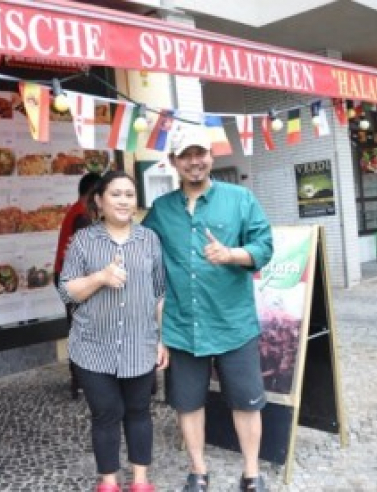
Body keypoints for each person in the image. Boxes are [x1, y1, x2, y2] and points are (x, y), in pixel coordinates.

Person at [141, 124, 273, 492]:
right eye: (185, 155)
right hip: (183, 326)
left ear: (211, 156)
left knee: (246, 402)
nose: (194, 162)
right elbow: (143, 254)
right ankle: (198, 472)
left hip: (233, 323)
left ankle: (251, 473)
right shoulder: (161, 210)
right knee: (187, 403)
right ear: (173, 162)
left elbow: (264, 245)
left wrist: (232, 254)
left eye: (200, 153)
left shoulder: (240, 199)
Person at [57, 171, 168, 492]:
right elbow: (67, 291)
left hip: (140, 344)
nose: (123, 201)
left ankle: (140, 481)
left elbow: (159, 293)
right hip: (93, 347)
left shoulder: (149, 239)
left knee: (138, 412)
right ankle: (108, 483)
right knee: (106, 414)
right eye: (116, 194)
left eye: (129, 195)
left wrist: (163, 339)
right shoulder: (83, 241)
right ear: (99, 201)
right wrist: (100, 278)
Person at [54, 171, 101, 398]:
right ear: (93, 193)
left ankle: (81, 379)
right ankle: (81, 380)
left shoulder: (78, 210)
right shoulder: (82, 214)